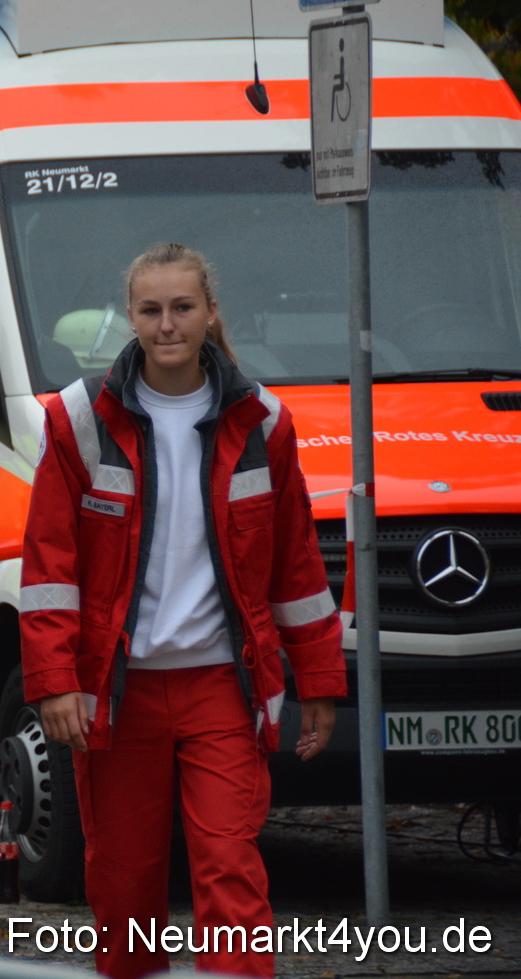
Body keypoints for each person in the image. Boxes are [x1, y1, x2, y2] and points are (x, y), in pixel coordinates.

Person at [20, 242, 346, 978]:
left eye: (183, 307)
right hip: (118, 690)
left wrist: (320, 677)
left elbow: (295, 563)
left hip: (221, 689)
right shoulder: (78, 419)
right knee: (125, 888)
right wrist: (54, 680)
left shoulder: (262, 420)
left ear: (210, 313)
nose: (167, 324)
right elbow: (50, 566)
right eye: (151, 309)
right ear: (129, 316)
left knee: (231, 871)